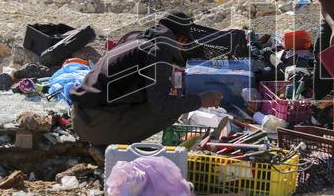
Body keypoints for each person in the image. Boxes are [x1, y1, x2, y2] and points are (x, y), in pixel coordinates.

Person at [70, 11, 222, 145]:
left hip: (81, 116)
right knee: (171, 110)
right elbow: (162, 106)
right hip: (94, 125)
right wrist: (201, 100)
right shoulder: (158, 52)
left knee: (166, 100)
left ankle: (108, 140)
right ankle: (110, 145)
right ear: (181, 39)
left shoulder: (137, 41)